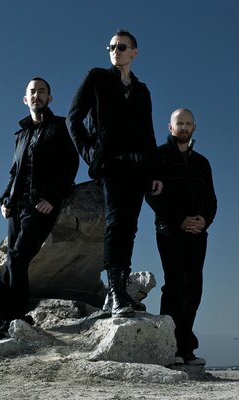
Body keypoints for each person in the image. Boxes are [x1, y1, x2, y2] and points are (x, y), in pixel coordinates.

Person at [67, 29, 162, 318]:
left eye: (122, 47)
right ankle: (116, 292)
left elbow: (148, 132)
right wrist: (91, 153)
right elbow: (74, 119)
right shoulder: (97, 77)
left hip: (138, 168)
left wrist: (154, 171)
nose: (115, 51)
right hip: (112, 165)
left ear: (134, 52)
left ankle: (118, 293)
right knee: (116, 223)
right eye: (111, 46)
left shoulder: (142, 90)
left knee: (130, 228)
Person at [0, 77, 79, 339]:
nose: (37, 95)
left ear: (49, 98)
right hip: (16, 205)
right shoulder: (22, 134)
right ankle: (14, 316)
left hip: (41, 205)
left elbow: (70, 166)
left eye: (42, 92)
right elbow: (15, 171)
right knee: (19, 261)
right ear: (25, 99)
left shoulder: (60, 127)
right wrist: (4, 199)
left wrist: (55, 198)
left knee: (17, 256)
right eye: (32, 92)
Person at [145, 108, 217, 366]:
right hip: (169, 230)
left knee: (193, 288)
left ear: (194, 128)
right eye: (179, 124)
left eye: (188, 124)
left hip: (198, 232)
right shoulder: (158, 156)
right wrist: (180, 219)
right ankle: (169, 346)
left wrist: (204, 220)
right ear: (170, 127)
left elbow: (211, 199)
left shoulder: (202, 162)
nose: (184, 128)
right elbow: (152, 195)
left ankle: (186, 348)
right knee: (174, 285)